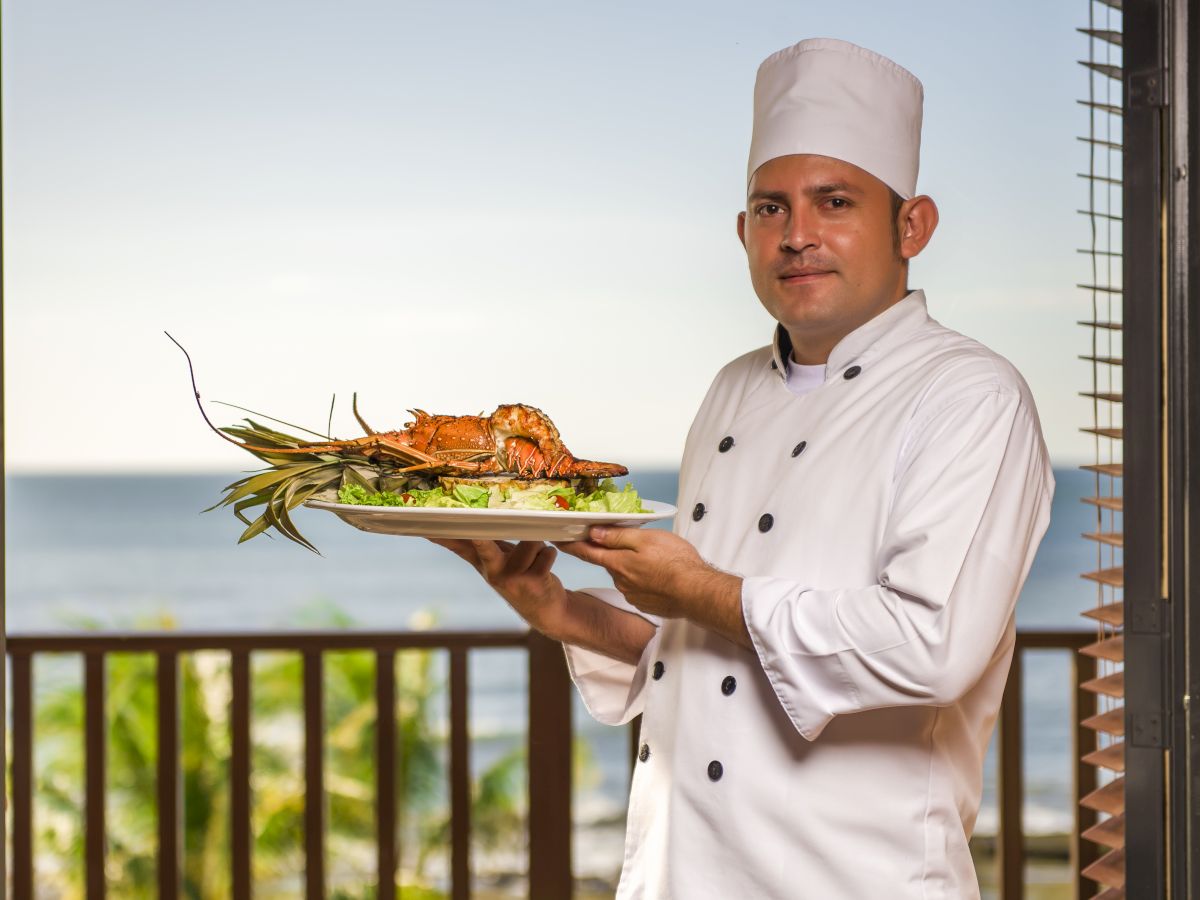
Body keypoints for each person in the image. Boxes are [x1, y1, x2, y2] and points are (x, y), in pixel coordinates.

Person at [433, 37, 1054, 899]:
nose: (797, 236)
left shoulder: (972, 396)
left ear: (912, 225)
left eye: (834, 202)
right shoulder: (731, 389)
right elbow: (708, 661)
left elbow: (931, 645)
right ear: (742, 231)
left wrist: (700, 590)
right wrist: (560, 608)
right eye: (770, 208)